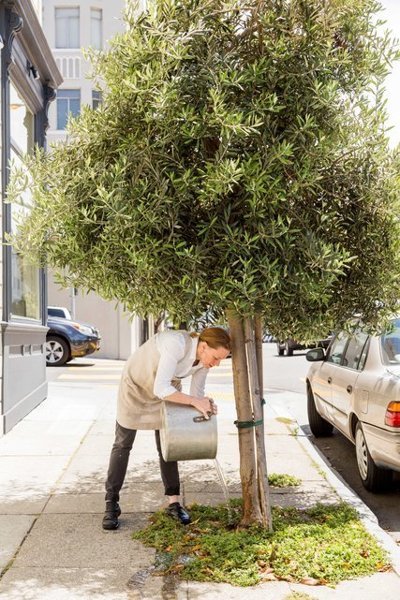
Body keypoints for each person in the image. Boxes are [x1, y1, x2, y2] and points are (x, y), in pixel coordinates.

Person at [102, 326, 231, 530]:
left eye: (221, 360)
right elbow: (160, 387)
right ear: (204, 346)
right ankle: (111, 504)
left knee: (169, 445)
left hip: (167, 392)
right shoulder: (176, 343)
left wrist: (205, 407)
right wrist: (194, 402)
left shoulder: (204, 363)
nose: (216, 364)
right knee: (122, 445)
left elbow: (196, 395)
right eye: (216, 358)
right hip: (136, 388)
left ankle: (174, 503)